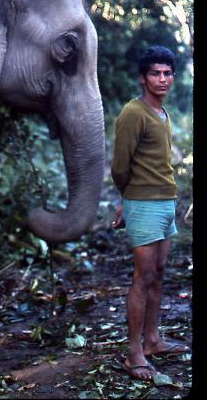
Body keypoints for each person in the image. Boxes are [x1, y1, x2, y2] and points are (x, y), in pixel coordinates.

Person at [111, 45, 189, 380]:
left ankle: (154, 340)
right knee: (142, 279)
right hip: (144, 204)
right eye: (155, 73)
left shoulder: (162, 112)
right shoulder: (134, 112)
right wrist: (128, 201)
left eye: (167, 73)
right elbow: (120, 167)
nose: (162, 79)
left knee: (158, 273)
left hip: (166, 201)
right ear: (142, 78)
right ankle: (134, 353)